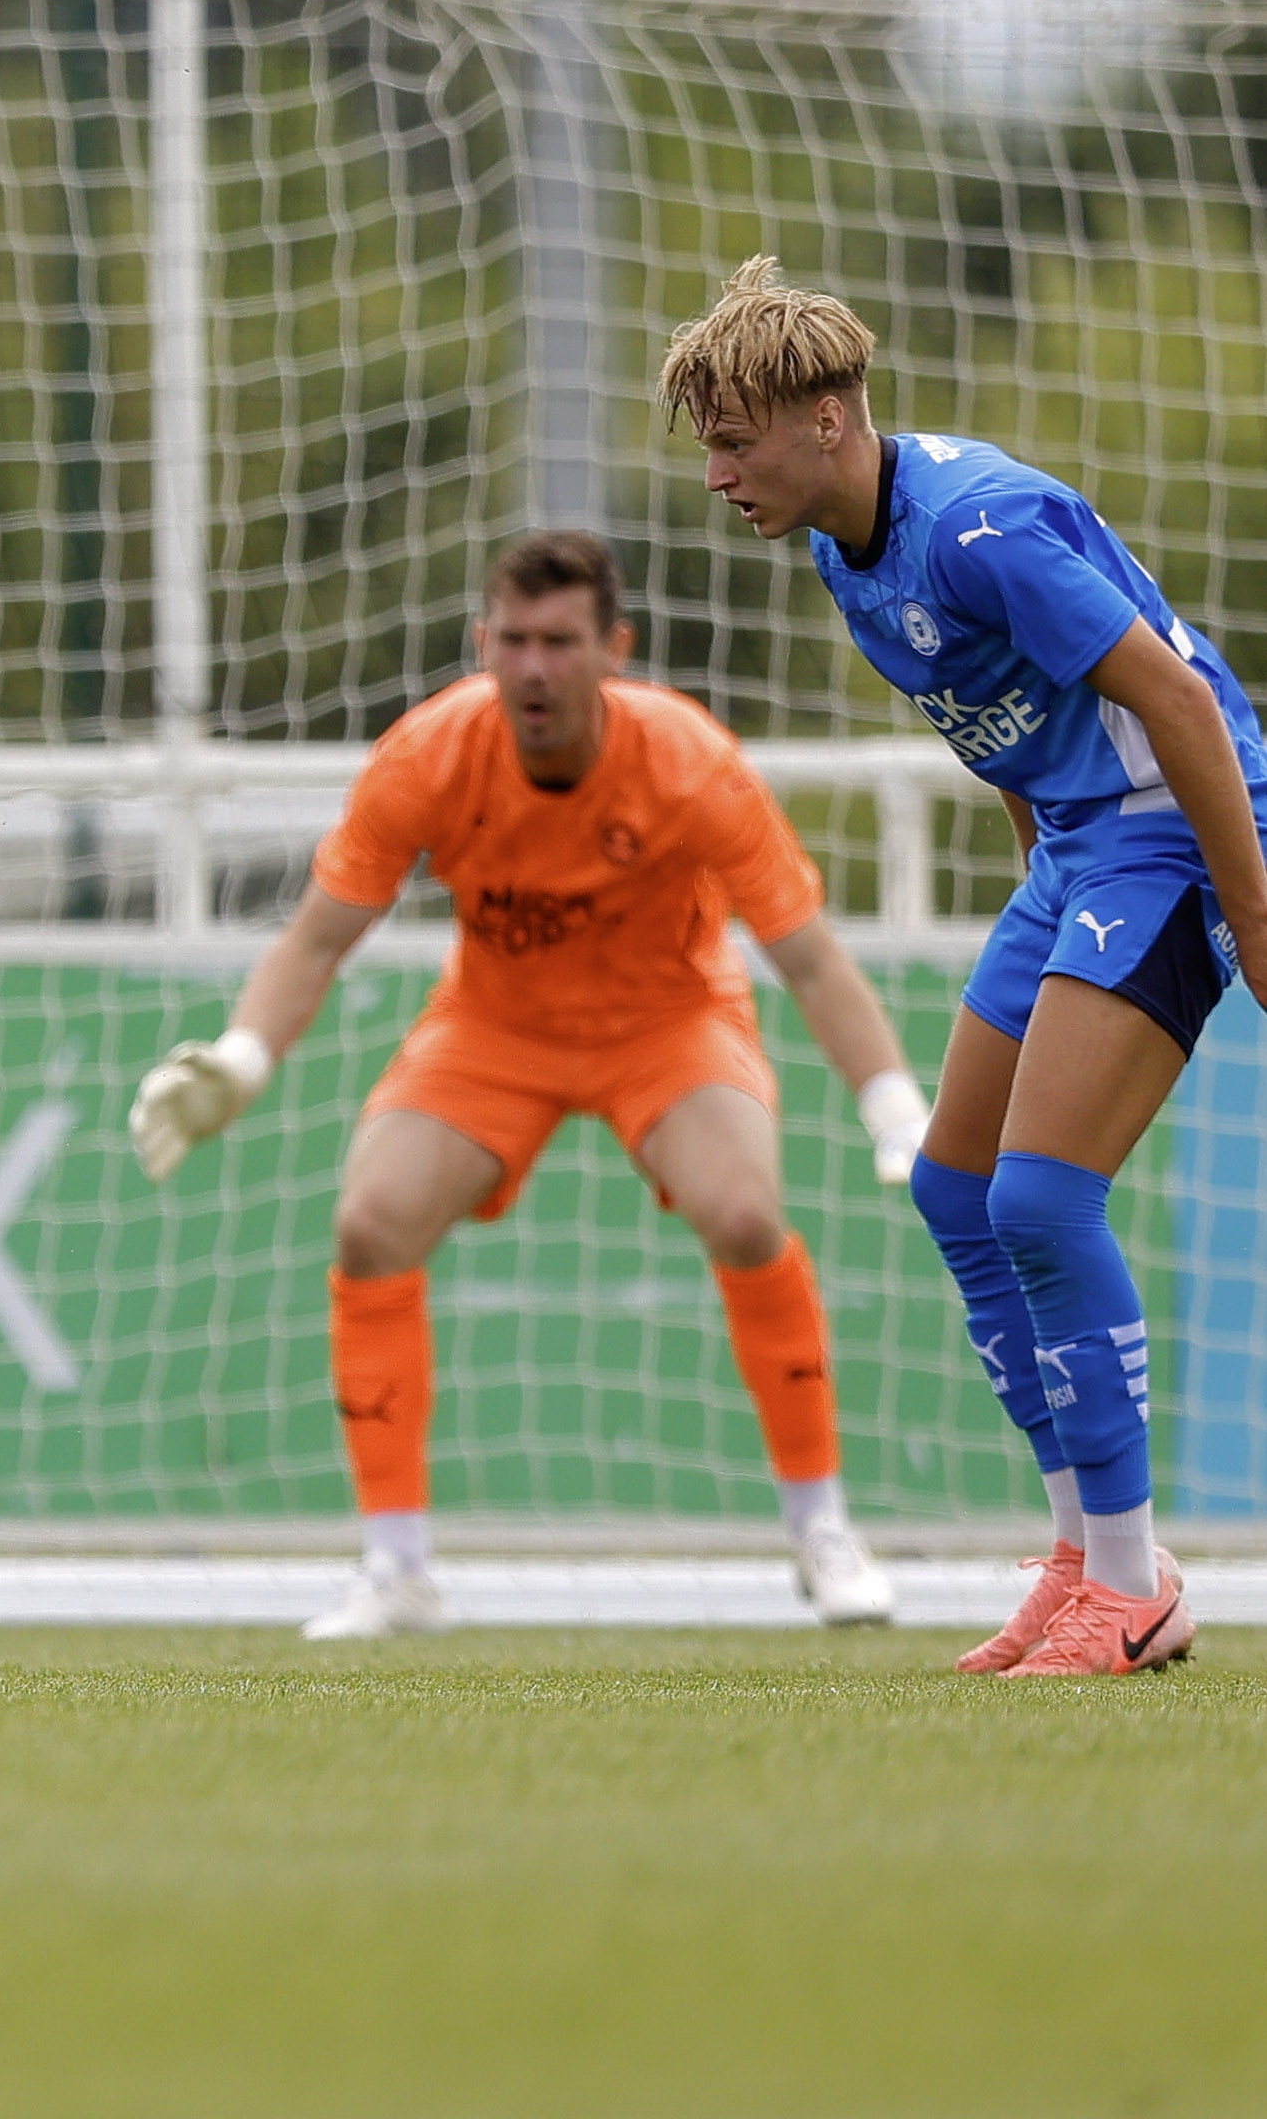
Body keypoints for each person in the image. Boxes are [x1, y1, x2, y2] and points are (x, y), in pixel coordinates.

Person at [127, 531, 923, 1641]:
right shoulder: (428, 757)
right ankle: (395, 1566)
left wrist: (891, 1103)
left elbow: (806, 955)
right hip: (495, 1024)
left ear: (614, 651)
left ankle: (821, 1529)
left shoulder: (687, 762)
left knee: (744, 1213)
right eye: (513, 640)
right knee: (368, 1222)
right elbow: (313, 943)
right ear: (481, 645)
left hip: (668, 1019)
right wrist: (241, 1058)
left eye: (560, 641)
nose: (535, 666)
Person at [664, 256, 1262, 1678]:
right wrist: (1046, 881)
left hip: (1173, 832)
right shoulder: (837, 547)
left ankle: (1137, 1584)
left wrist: (1253, 912)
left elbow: (1177, 699)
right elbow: (1000, 724)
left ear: (827, 417)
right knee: (957, 1186)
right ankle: (1081, 1555)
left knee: (1047, 1199)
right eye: (708, 446)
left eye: (735, 440)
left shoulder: (979, 530)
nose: (717, 474)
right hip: (1076, 850)